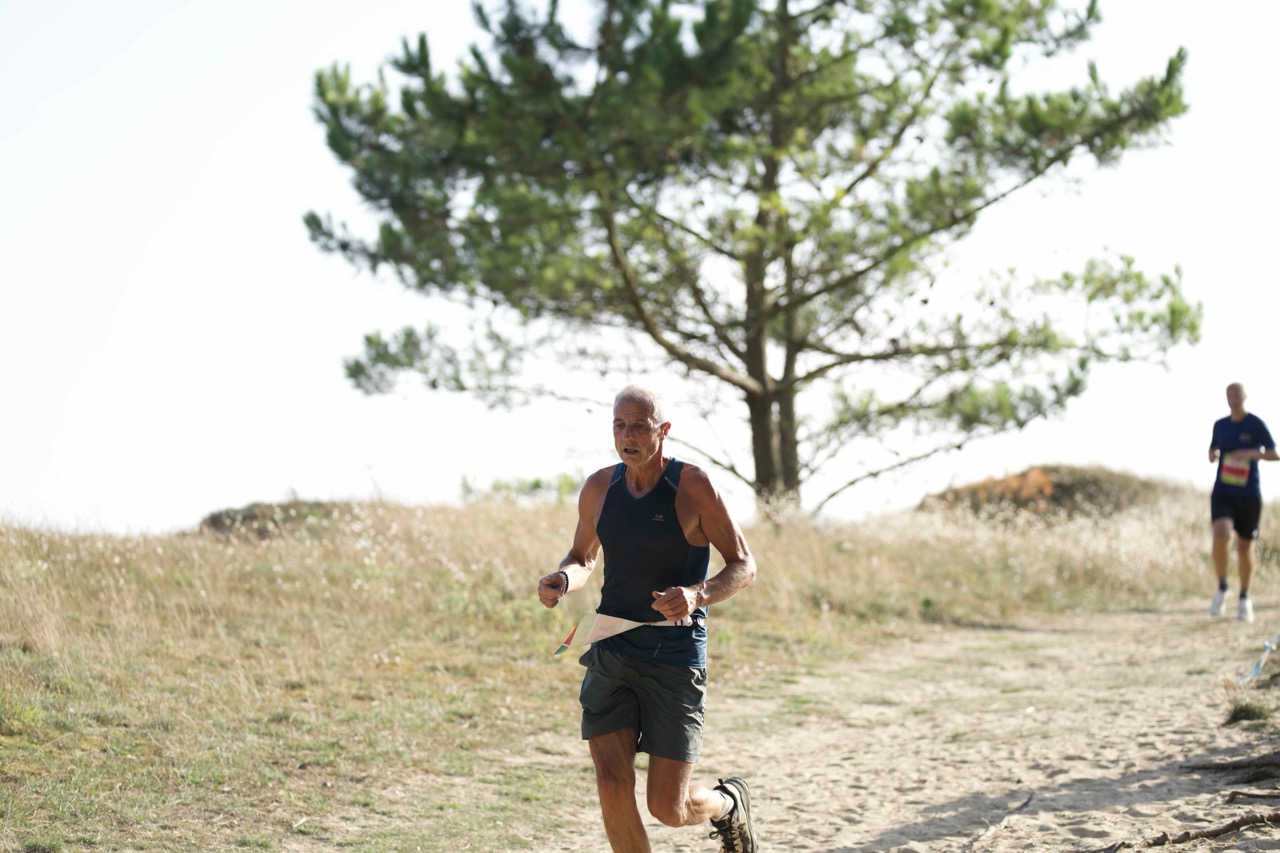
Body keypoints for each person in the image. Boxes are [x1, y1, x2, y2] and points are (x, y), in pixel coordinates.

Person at [537, 385, 758, 852]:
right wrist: (564, 578)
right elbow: (582, 556)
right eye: (619, 425)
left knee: (668, 808)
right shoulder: (600, 487)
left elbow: (744, 565)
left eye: (639, 426)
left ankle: (726, 803)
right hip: (612, 647)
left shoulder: (692, 485)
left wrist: (698, 594)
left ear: (663, 430)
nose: (627, 435)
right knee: (610, 781)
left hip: (674, 654)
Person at [1208, 382, 1278, 622]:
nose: (1233, 398)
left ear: (1244, 396)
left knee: (1244, 547)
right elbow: (1212, 450)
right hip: (1223, 491)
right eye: (1229, 394)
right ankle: (1222, 586)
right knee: (1221, 534)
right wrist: (1212, 455)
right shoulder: (1220, 425)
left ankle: (1245, 597)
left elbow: (1274, 453)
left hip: (1248, 494)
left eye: (1236, 393)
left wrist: (1248, 454)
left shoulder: (1255, 424)